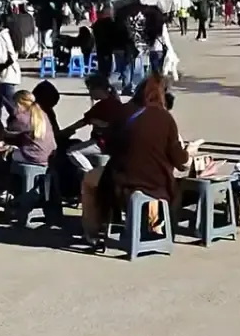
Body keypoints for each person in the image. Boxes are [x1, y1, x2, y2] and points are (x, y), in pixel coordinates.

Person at [81, 73, 191, 251]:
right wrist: (189, 152)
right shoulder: (166, 119)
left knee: (89, 180)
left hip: (119, 182)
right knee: (168, 188)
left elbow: (108, 146)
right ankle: (154, 226)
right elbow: (180, 161)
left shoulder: (124, 112)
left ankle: (92, 231)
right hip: (156, 184)